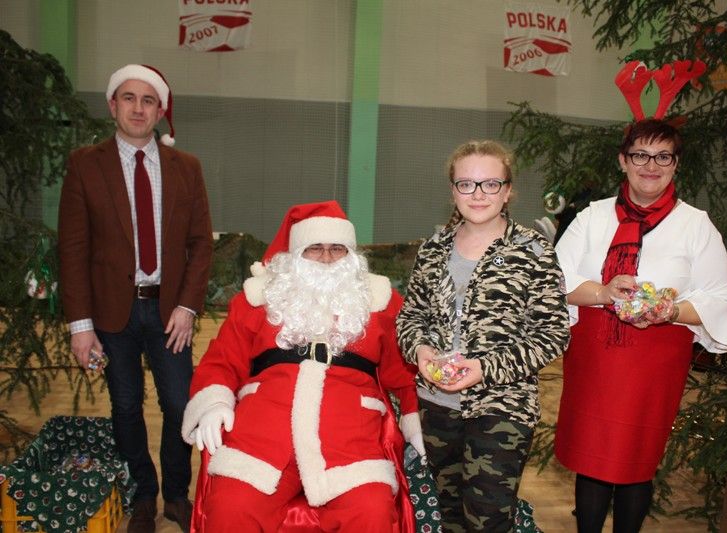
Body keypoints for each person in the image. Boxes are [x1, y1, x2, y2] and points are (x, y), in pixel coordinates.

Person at [181, 201, 424, 532]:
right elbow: (222, 360)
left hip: (349, 440)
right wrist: (213, 404)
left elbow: (406, 371)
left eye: (337, 249)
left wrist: (414, 419)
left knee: (371, 511)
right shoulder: (257, 300)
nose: (326, 258)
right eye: (314, 248)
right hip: (262, 437)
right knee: (231, 507)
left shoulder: (380, 302)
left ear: (351, 256)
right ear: (295, 254)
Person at [553, 118, 727, 532]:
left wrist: (671, 311)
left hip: (654, 364)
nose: (650, 166)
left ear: (676, 164)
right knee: (592, 458)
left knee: (637, 461)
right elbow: (554, 280)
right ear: (623, 161)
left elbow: (720, 297)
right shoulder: (593, 217)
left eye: (662, 157)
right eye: (640, 155)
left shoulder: (695, 224)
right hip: (595, 359)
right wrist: (604, 292)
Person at [58, 64, 214, 533]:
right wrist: (80, 326)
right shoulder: (85, 165)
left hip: (169, 312)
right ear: (113, 105)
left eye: (149, 100)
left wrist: (187, 306)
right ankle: (143, 495)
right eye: (129, 98)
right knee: (125, 407)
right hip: (112, 312)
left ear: (160, 110)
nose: (138, 108)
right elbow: (73, 249)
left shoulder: (187, 167)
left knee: (179, 404)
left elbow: (201, 245)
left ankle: (177, 495)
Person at [396, 140, 571, 532]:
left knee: (487, 521)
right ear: (453, 191)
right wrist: (420, 350)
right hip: (437, 404)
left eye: (490, 184)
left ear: (508, 191)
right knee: (450, 516)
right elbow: (410, 317)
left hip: (502, 406)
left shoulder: (533, 252)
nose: (478, 194)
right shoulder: (433, 249)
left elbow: (553, 333)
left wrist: (484, 368)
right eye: (467, 184)